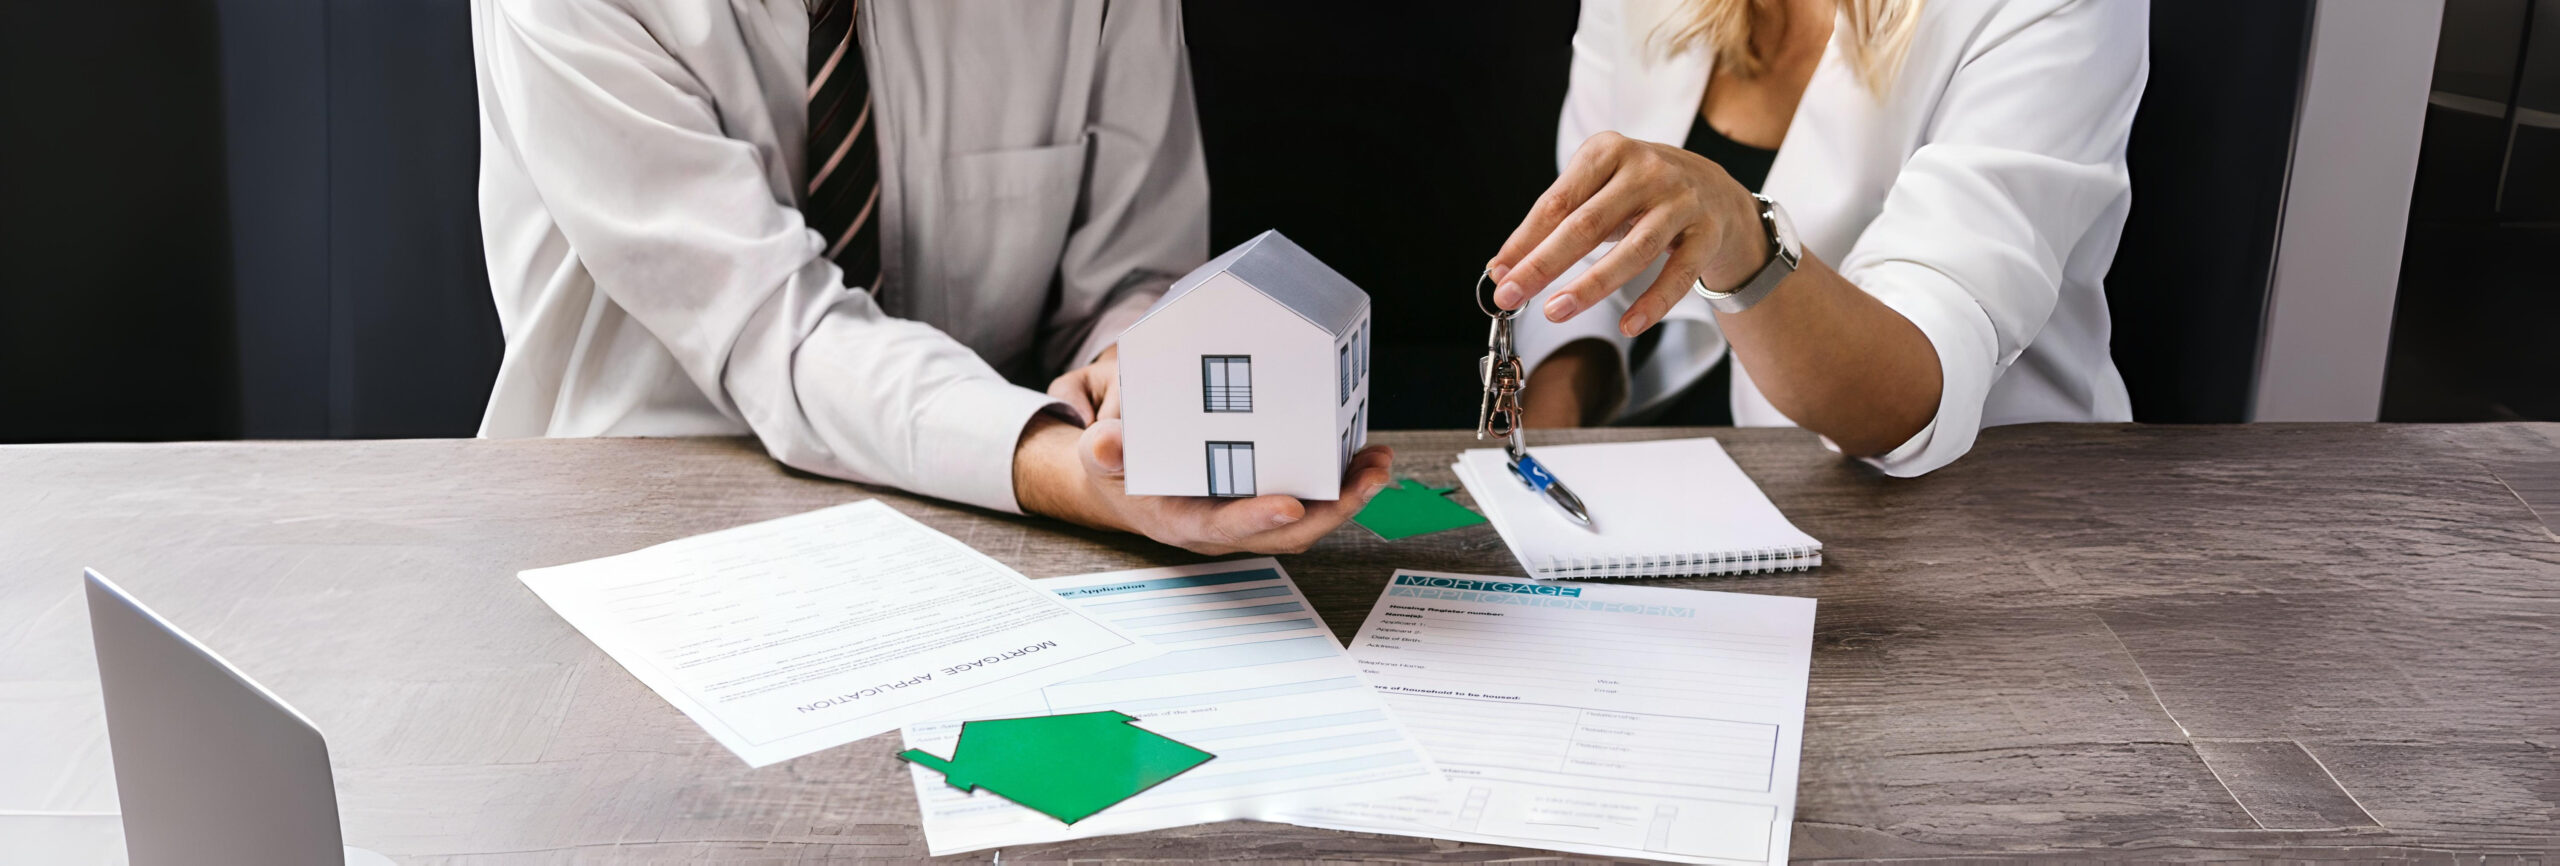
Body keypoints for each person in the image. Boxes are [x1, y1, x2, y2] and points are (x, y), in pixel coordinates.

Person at [467, 0, 1391, 553]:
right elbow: (780, 336)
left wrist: (1136, 392)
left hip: (999, 538)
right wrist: (1069, 468)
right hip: (650, 529)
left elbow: (1135, 268)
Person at [1486, 0, 2145, 475]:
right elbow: (1596, 237)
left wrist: (1742, 242)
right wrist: (1547, 433)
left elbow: (1913, 394)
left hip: (1962, 506)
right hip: (1678, 478)